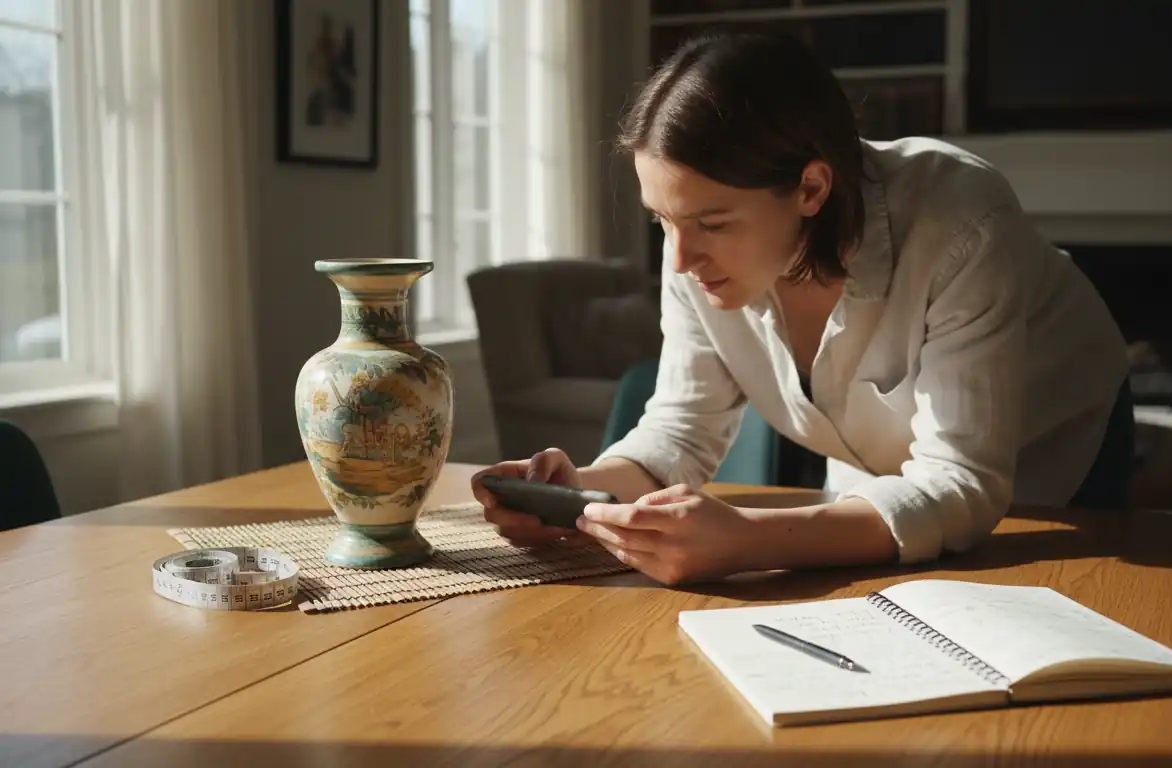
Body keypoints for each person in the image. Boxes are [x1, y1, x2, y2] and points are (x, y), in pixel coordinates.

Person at [471, 31, 1133, 585]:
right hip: (883, 480)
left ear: (811, 188)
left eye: (713, 223)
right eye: (662, 221)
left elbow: (960, 482)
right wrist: (579, 494)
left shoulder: (959, 221)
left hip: (1054, 447)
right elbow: (680, 432)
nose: (678, 260)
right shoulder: (697, 256)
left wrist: (750, 541)